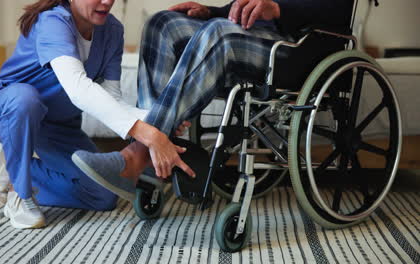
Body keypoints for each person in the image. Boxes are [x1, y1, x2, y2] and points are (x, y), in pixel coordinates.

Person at [72, 0, 354, 200]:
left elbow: (338, 9)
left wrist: (278, 8)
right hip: (258, 36)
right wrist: (211, 11)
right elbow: (246, 8)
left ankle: (137, 156)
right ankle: (155, 154)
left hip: (300, 49)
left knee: (220, 32)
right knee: (162, 24)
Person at [0, 0, 195, 229]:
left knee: (103, 194)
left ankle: (14, 163)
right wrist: (148, 135)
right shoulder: (53, 21)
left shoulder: (112, 30)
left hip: (58, 125)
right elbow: (78, 88)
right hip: (8, 111)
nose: (107, 1)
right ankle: (19, 193)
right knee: (25, 99)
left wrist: (156, 120)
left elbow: (113, 100)